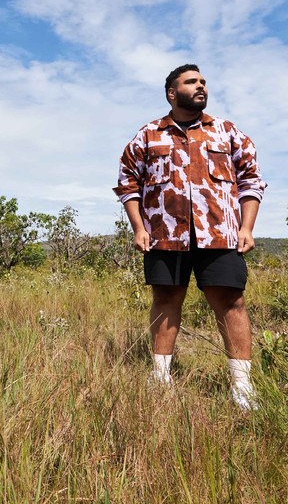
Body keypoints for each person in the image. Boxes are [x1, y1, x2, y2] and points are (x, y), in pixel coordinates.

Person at [114, 64, 266, 411]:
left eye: (203, 82)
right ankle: (160, 377)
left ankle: (242, 387)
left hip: (220, 234)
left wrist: (246, 227)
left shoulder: (227, 133)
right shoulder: (148, 135)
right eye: (191, 82)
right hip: (164, 236)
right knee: (166, 300)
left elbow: (251, 180)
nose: (201, 87)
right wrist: (139, 228)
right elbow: (128, 183)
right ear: (172, 92)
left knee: (231, 303)